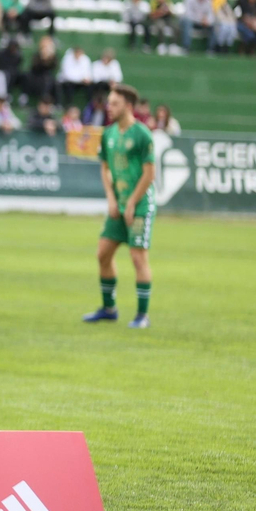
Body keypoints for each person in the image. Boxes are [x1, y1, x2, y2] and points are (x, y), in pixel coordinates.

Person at [83, 83, 156, 330]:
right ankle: (108, 309)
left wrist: (132, 203)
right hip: (119, 204)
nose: (109, 107)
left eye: (114, 103)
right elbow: (104, 167)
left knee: (138, 257)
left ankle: (142, 315)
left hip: (140, 205)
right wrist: (112, 200)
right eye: (109, 103)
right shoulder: (109, 133)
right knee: (103, 254)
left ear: (128, 105)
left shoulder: (142, 134)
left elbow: (149, 174)